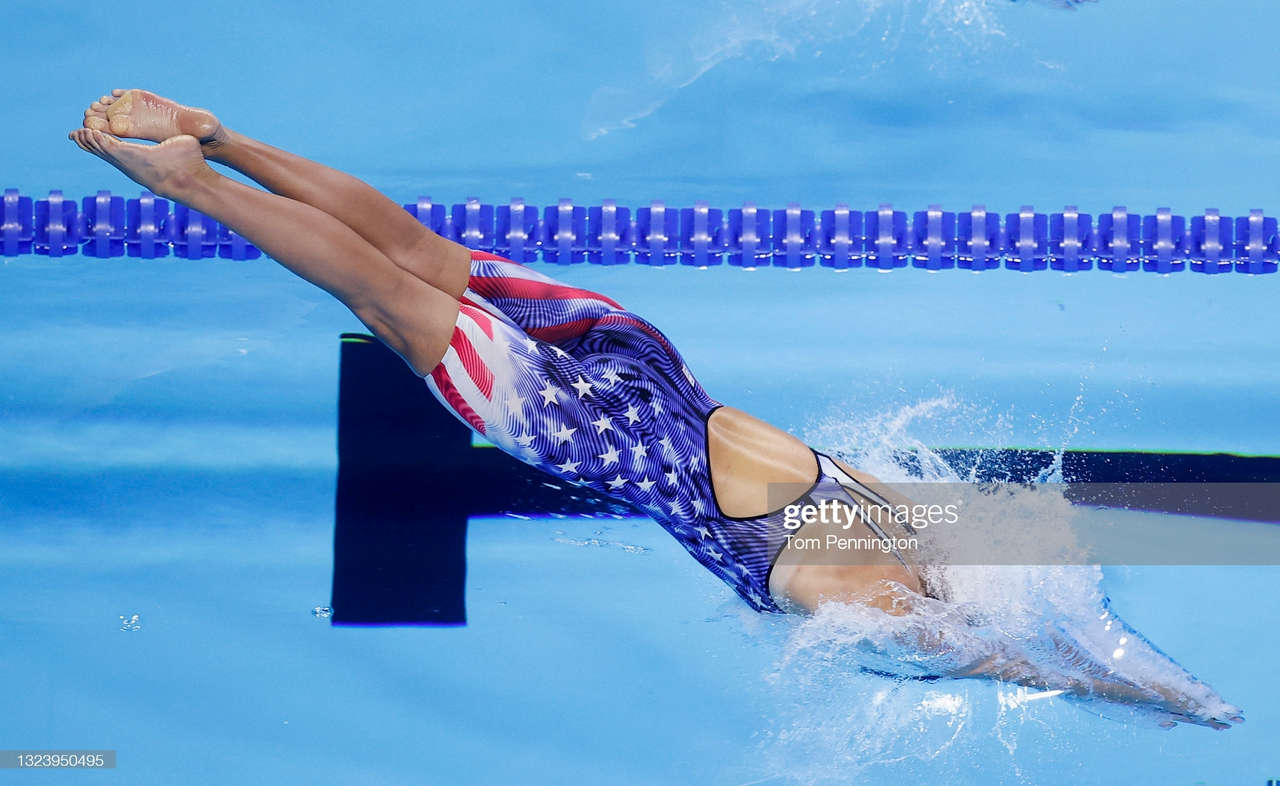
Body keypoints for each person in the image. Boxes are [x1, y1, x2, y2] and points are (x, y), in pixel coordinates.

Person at [70, 89, 1242, 729]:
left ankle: (225, 138)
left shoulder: (874, 513)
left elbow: (1013, 575)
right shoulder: (837, 588)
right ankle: (195, 177)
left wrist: (1141, 678)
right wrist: (1146, 695)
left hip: (648, 365)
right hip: (587, 429)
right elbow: (995, 656)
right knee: (387, 284)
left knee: (417, 254)